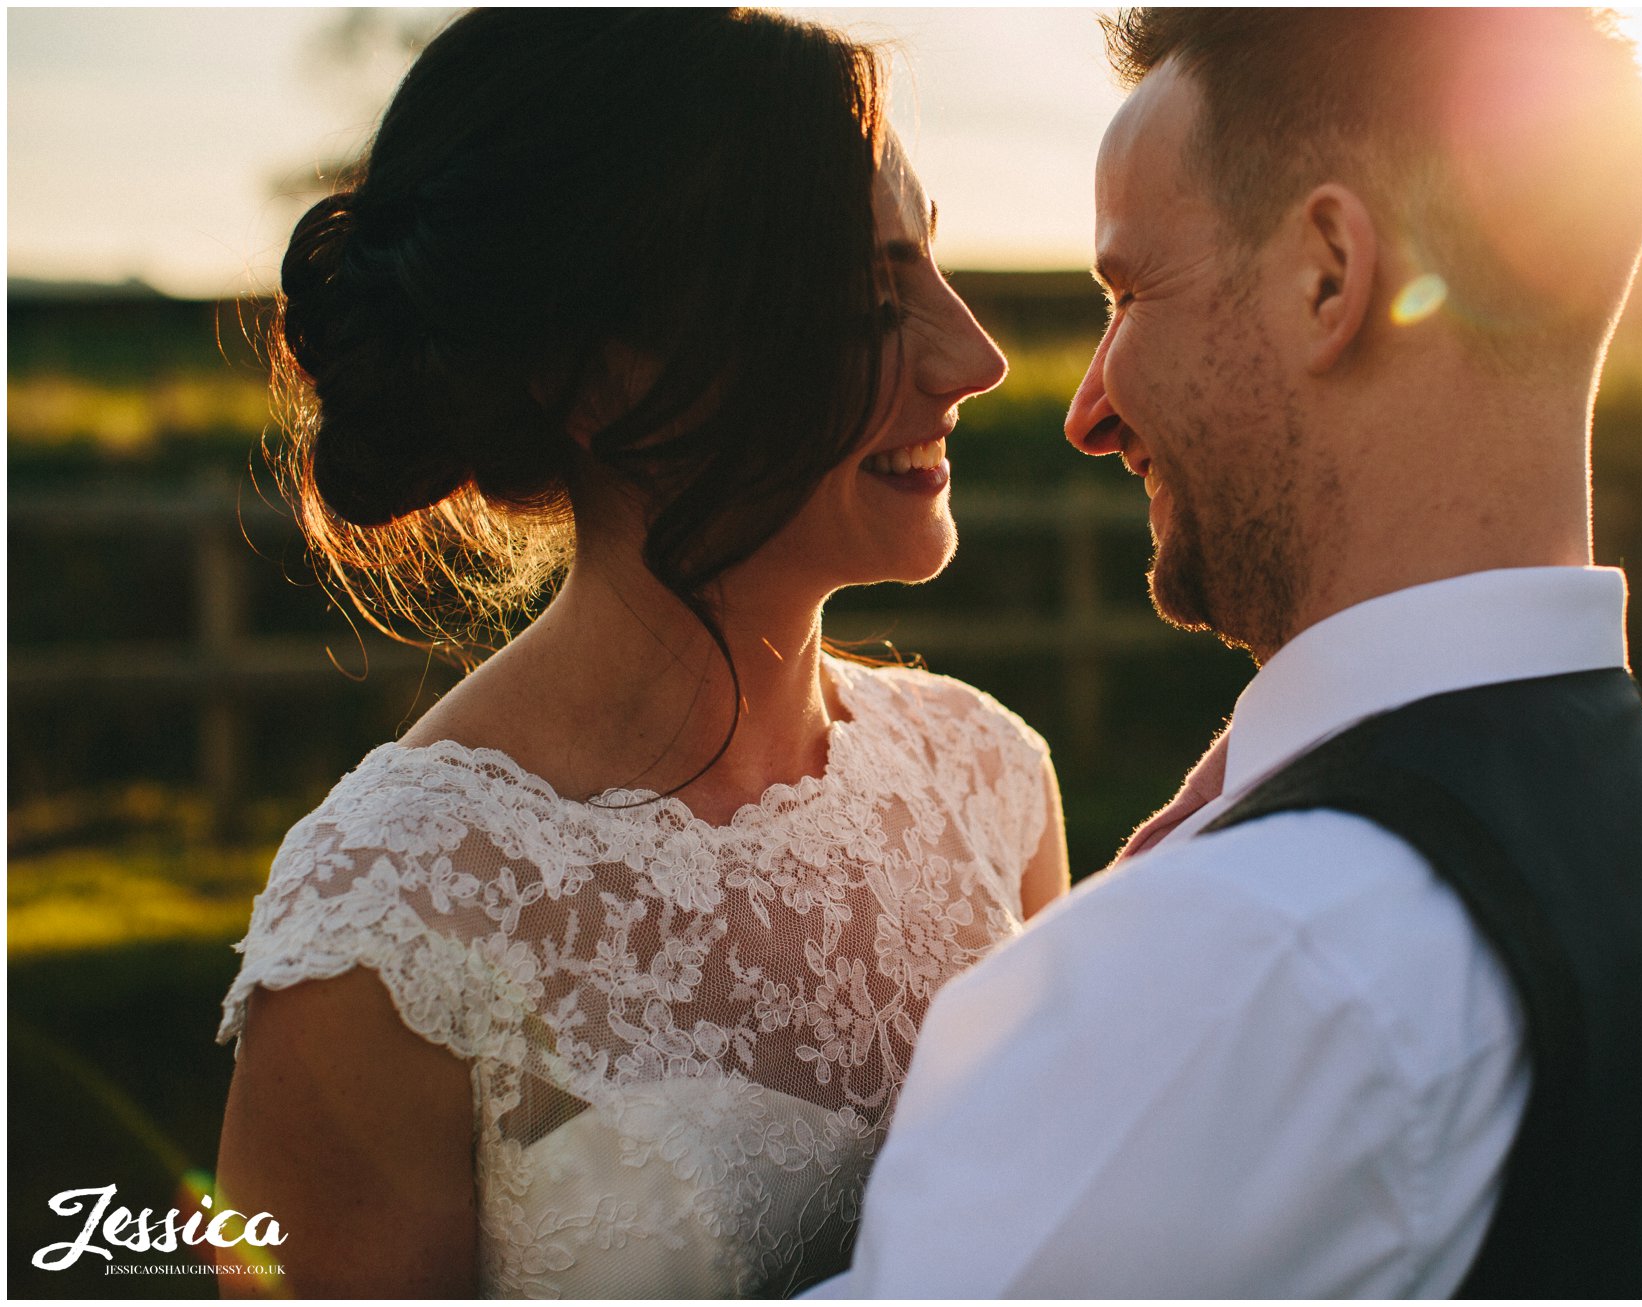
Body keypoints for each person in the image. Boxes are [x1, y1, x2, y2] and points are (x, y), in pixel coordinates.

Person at [812, 8, 1642, 1298]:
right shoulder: (1596, 751)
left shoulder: (1244, 963)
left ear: (1328, 273)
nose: (1088, 408)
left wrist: (1155, 954)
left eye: (1127, 295)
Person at [212, 9, 1066, 1298]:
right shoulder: (388, 929)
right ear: (599, 373)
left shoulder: (990, 783)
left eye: (935, 269)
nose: (976, 357)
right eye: (868, 300)